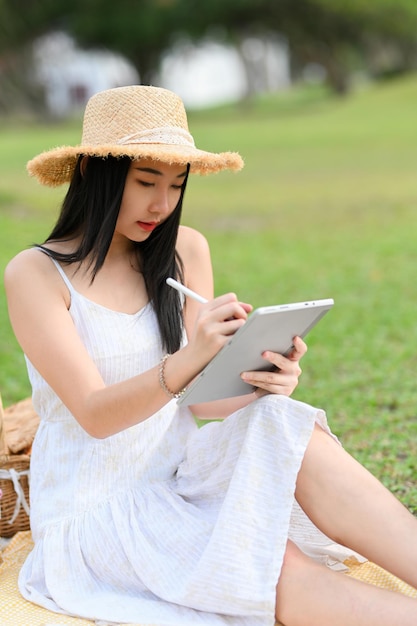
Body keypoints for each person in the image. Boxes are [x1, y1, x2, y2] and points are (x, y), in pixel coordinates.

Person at [4, 84, 417, 626]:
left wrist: (262, 377)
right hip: (100, 512)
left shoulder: (184, 251)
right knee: (274, 569)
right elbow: (95, 414)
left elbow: (203, 405)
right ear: (93, 174)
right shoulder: (36, 274)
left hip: (182, 478)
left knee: (284, 423)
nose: (163, 204)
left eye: (177, 185)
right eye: (146, 182)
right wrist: (191, 356)